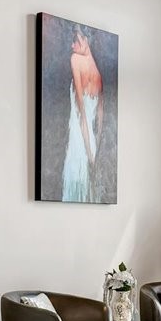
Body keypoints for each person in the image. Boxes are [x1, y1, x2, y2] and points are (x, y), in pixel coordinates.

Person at [61, 28, 103, 202]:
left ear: (85, 40)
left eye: (75, 40)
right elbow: (99, 122)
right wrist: (94, 153)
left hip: (79, 140)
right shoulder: (98, 75)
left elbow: (81, 113)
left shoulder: (75, 60)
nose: (72, 45)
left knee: (75, 191)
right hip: (91, 143)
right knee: (87, 194)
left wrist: (87, 151)